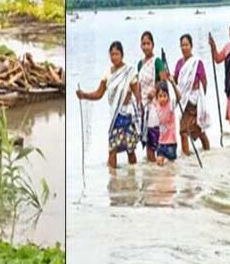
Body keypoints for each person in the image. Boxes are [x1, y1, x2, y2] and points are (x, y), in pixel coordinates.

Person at [76, 41, 142, 169]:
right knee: (112, 149)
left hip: (127, 116)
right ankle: (112, 180)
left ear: (122, 55)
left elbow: (138, 96)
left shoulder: (130, 72)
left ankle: (133, 178)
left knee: (130, 150)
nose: (114, 57)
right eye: (112, 54)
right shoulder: (107, 74)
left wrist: (139, 112)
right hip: (115, 118)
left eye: (116, 54)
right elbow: (99, 94)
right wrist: (84, 95)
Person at [173, 34, 210, 153]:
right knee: (183, 132)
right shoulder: (179, 63)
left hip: (194, 102)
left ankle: (208, 151)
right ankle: (186, 158)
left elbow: (204, 81)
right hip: (183, 102)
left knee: (198, 130)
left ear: (191, 46)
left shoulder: (197, 62)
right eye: (182, 45)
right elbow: (176, 80)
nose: (184, 48)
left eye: (186, 45)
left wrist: (201, 100)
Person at [137, 31, 167, 162]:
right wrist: (138, 102)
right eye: (143, 44)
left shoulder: (157, 62)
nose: (146, 46)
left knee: (153, 140)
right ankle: (153, 169)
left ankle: (156, 175)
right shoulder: (140, 64)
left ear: (153, 45)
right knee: (147, 140)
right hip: (144, 106)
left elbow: (163, 81)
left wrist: (154, 90)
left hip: (155, 106)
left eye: (148, 43)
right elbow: (138, 85)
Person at [154, 82, 178, 166]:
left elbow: (179, 97)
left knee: (171, 166)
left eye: (165, 96)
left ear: (168, 96)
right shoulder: (156, 104)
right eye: (160, 96)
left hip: (171, 142)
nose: (162, 98)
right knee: (159, 163)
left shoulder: (170, 105)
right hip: (161, 142)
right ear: (157, 97)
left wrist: (173, 85)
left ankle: (170, 178)